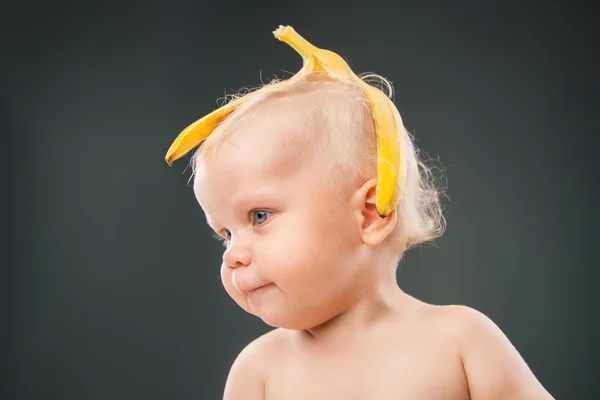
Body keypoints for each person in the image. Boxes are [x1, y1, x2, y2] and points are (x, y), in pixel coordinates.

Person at [165, 26, 554, 400]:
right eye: (225, 234)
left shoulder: (461, 342)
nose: (233, 255)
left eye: (259, 216)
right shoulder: (259, 372)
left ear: (369, 215)